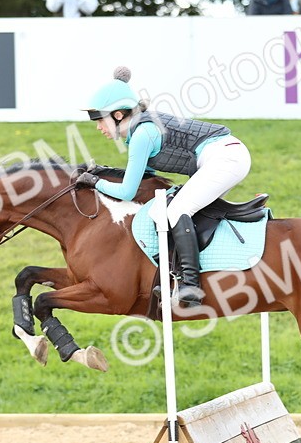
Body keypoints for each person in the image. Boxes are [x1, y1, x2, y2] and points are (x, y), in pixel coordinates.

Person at [80, 67, 252, 308]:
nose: (99, 128)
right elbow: (142, 177)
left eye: (100, 120)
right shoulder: (141, 129)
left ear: (118, 115)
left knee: (174, 211)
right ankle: (186, 274)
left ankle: (190, 286)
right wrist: (102, 172)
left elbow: (128, 192)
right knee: (164, 211)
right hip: (224, 156)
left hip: (225, 158)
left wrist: (95, 182)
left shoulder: (143, 134)